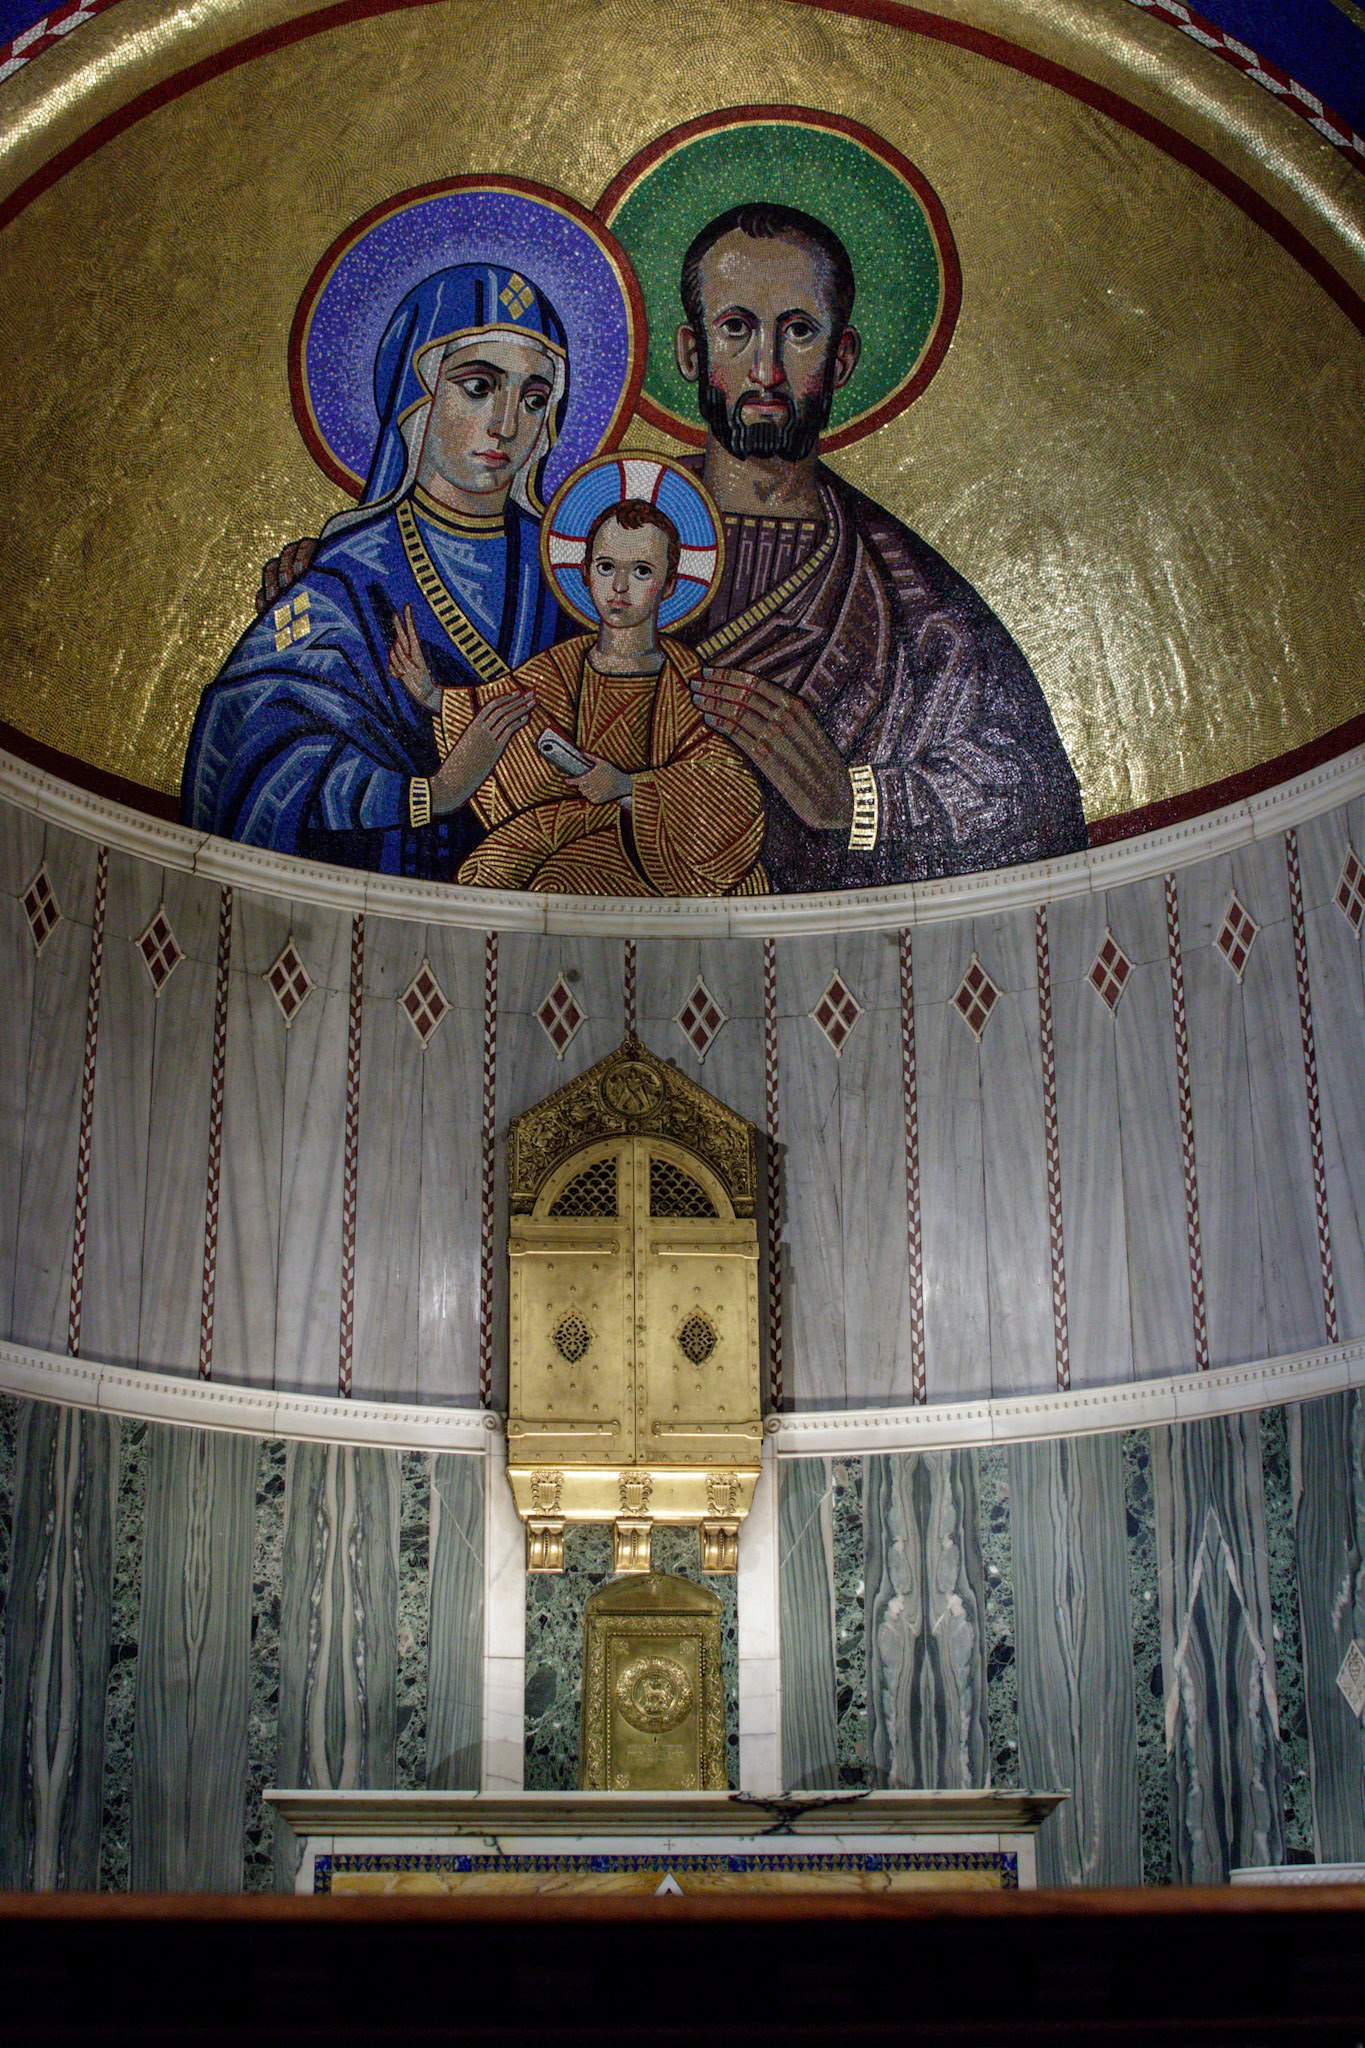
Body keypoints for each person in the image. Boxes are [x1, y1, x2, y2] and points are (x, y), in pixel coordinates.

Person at [671, 203, 1088, 891]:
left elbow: (1037, 798)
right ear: (692, 351)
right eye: (737, 329)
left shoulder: (913, 597)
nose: (766, 371)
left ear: (842, 358)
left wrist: (857, 801)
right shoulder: (603, 540)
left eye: (798, 332)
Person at [180, 263, 573, 877]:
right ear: (418, 396)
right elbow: (251, 743)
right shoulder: (340, 577)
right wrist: (433, 793)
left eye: (533, 398)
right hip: (387, 895)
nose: (506, 424)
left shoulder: (569, 574)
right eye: (477, 388)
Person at [388, 497, 766, 896]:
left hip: (653, 855)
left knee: (560, 882)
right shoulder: (563, 666)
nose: (619, 587)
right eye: (606, 568)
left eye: (641, 571)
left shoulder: (686, 682)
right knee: (486, 874)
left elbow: (729, 790)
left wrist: (627, 788)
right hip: (565, 824)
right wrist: (432, 695)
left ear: (669, 584)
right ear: (585, 573)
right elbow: (507, 711)